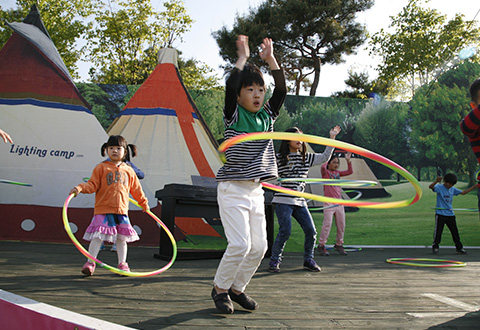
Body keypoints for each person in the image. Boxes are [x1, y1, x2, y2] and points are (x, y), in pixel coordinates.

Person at [212, 34, 286, 314]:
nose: (257, 94)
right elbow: (230, 87)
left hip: (256, 191)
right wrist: (242, 60)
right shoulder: (233, 115)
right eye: (251, 90)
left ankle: (237, 288)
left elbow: (282, 90)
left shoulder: (267, 117)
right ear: (241, 95)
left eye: (260, 90)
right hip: (233, 189)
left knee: (259, 248)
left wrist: (271, 60)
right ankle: (219, 289)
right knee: (240, 244)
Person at [69, 135, 149, 276]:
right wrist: (80, 188)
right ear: (106, 150)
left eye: (118, 148)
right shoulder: (101, 168)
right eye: (111, 148)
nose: (114, 151)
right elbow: (92, 184)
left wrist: (144, 204)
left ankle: (122, 264)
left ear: (125, 151)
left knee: (122, 238)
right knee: (97, 237)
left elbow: (136, 190)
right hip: (103, 209)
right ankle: (90, 262)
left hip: (122, 211)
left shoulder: (129, 171)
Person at [268, 126, 340, 273]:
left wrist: (332, 138)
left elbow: (325, 157)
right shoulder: (279, 157)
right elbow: (266, 169)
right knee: (285, 230)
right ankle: (275, 260)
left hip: (300, 201)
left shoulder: (306, 157)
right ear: (287, 140)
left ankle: (308, 259)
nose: (300, 140)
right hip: (283, 200)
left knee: (311, 231)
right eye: (296, 137)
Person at [429, 173, 476, 254]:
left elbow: (463, 192)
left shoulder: (453, 189)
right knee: (438, 232)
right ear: (444, 181)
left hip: (450, 214)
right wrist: (436, 181)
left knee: (455, 232)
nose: (450, 186)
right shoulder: (439, 187)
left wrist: (475, 187)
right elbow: (431, 187)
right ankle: (435, 246)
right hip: (440, 214)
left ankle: (459, 248)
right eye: (449, 184)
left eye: (452, 184)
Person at [317, 152, 353, 256]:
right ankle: (321, 245)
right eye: (334, 162)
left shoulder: (337, 173)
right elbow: (323, 167)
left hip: (339, 203)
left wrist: (348, 160)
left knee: (341, 225)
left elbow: (350, 171)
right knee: (327, 224)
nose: (336, 165)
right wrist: (327, 158)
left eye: (337, 163)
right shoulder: (325, 173)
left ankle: (339, 244)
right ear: (329, 163)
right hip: (328, 203)